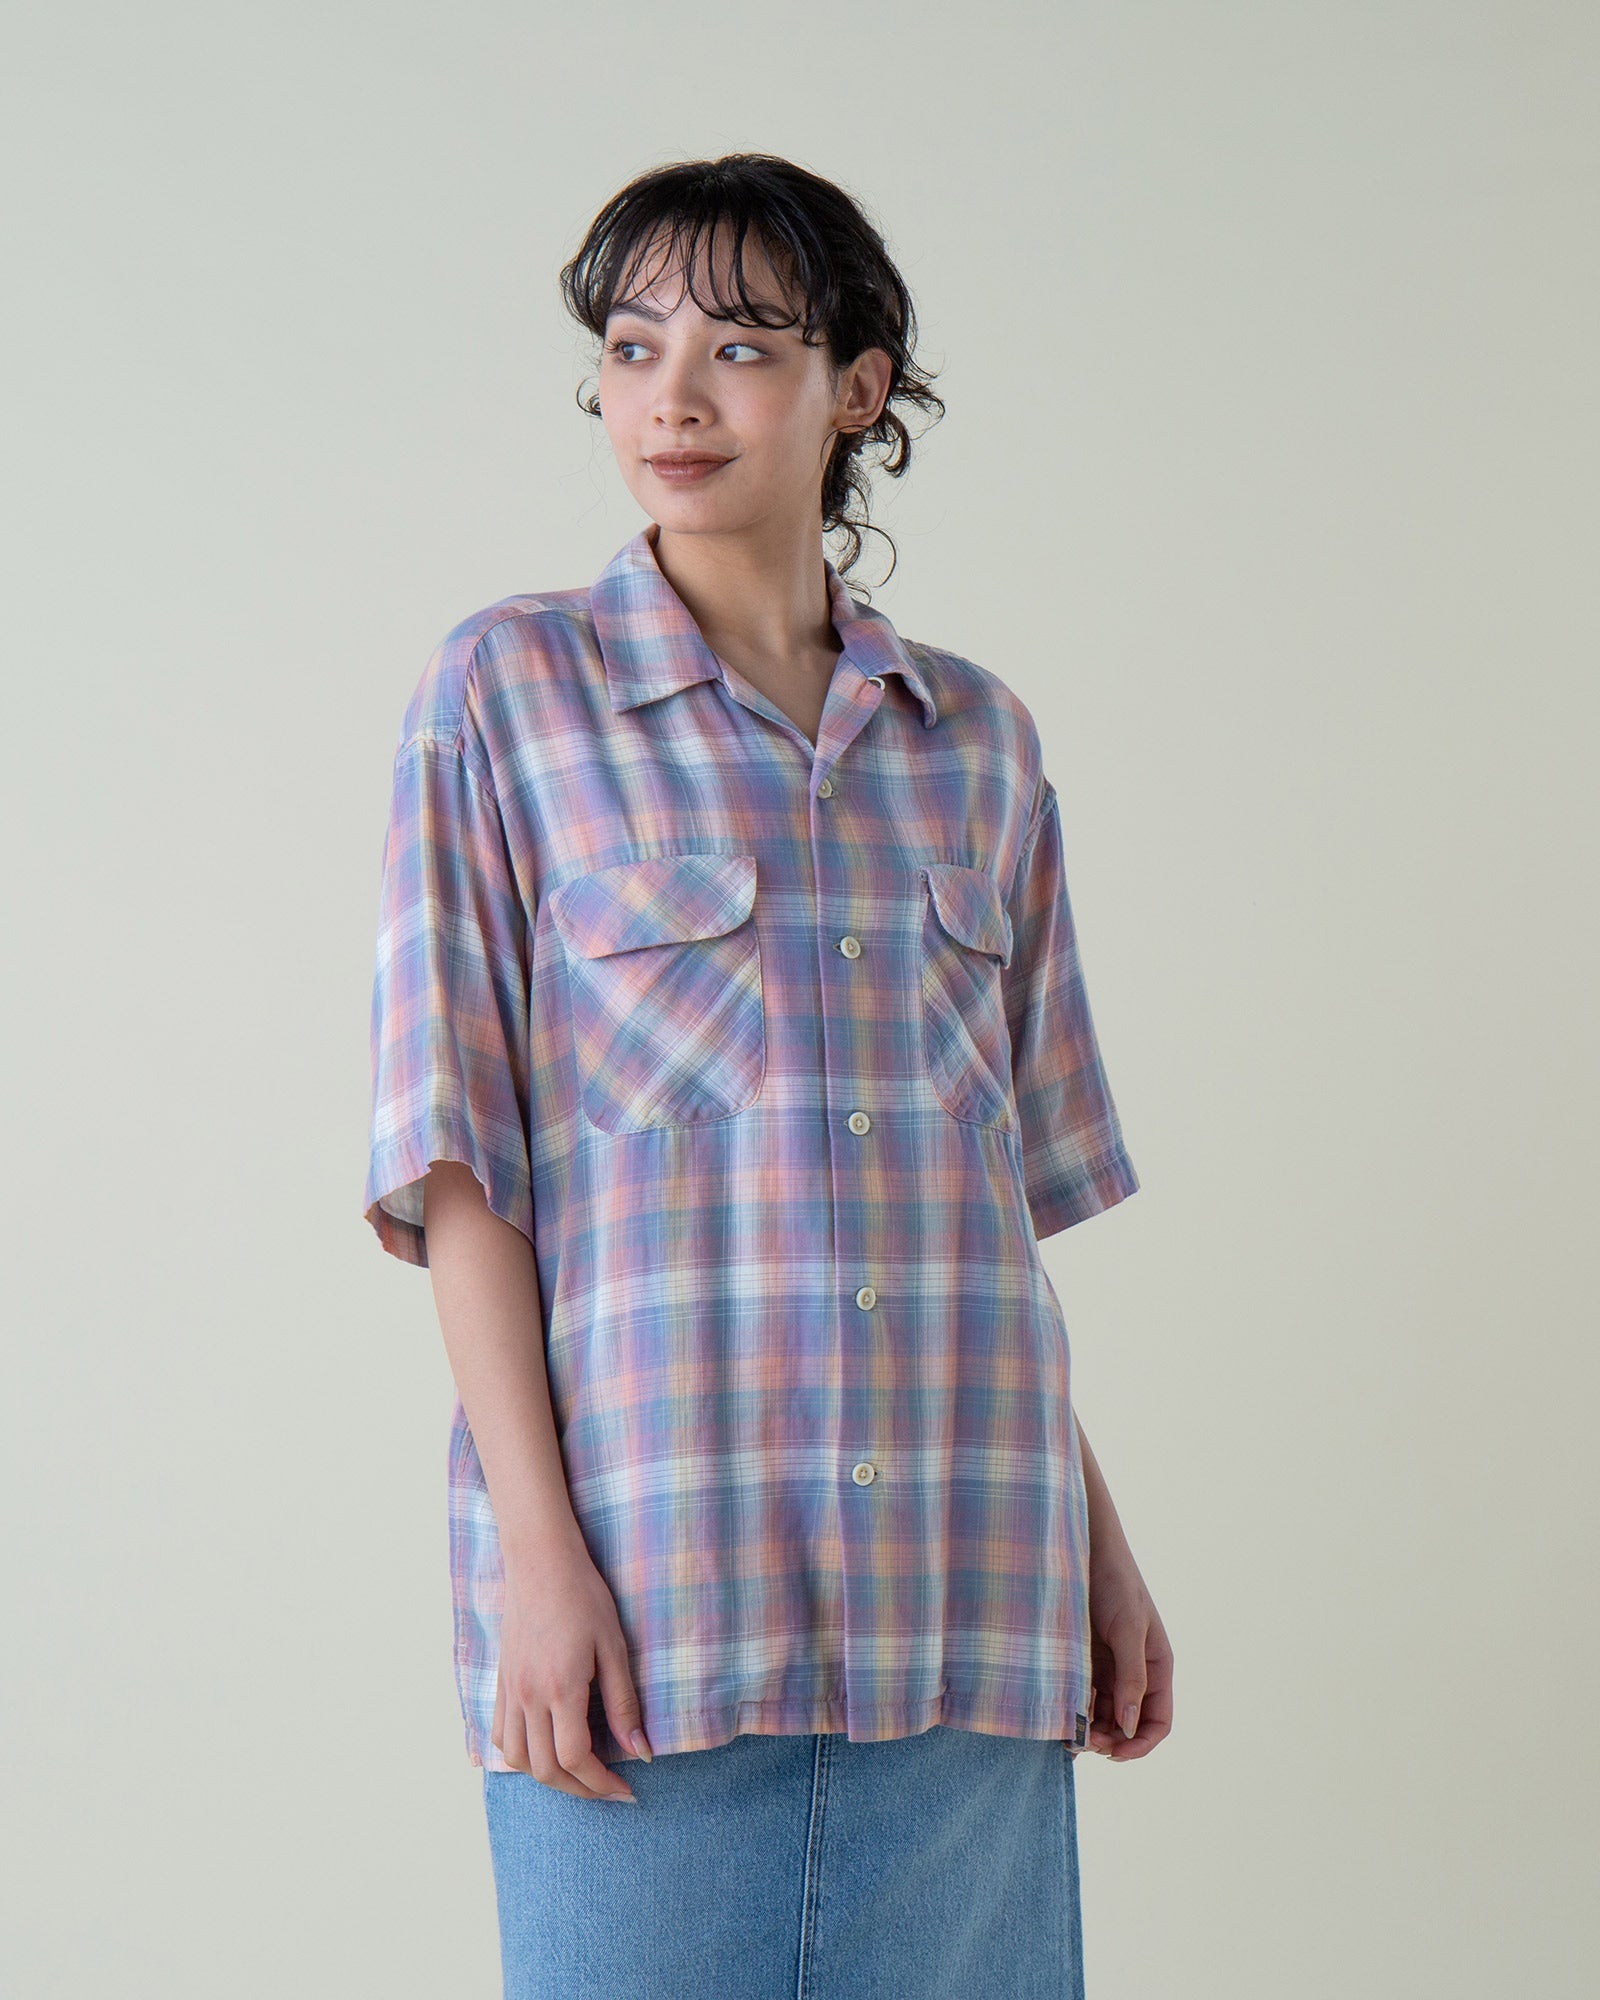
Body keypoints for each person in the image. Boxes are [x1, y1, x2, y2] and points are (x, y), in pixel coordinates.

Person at [363, 151, 1173, 2000]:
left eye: (739, 347)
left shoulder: (980, 746)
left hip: (971, 1611)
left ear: (855, 388)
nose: (673, 395)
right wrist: (542, 1567)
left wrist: (1099, 1548)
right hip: (657, 1618)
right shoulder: (504, 696)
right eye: (632, 347)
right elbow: (458, 1172)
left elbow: (983, 1214)